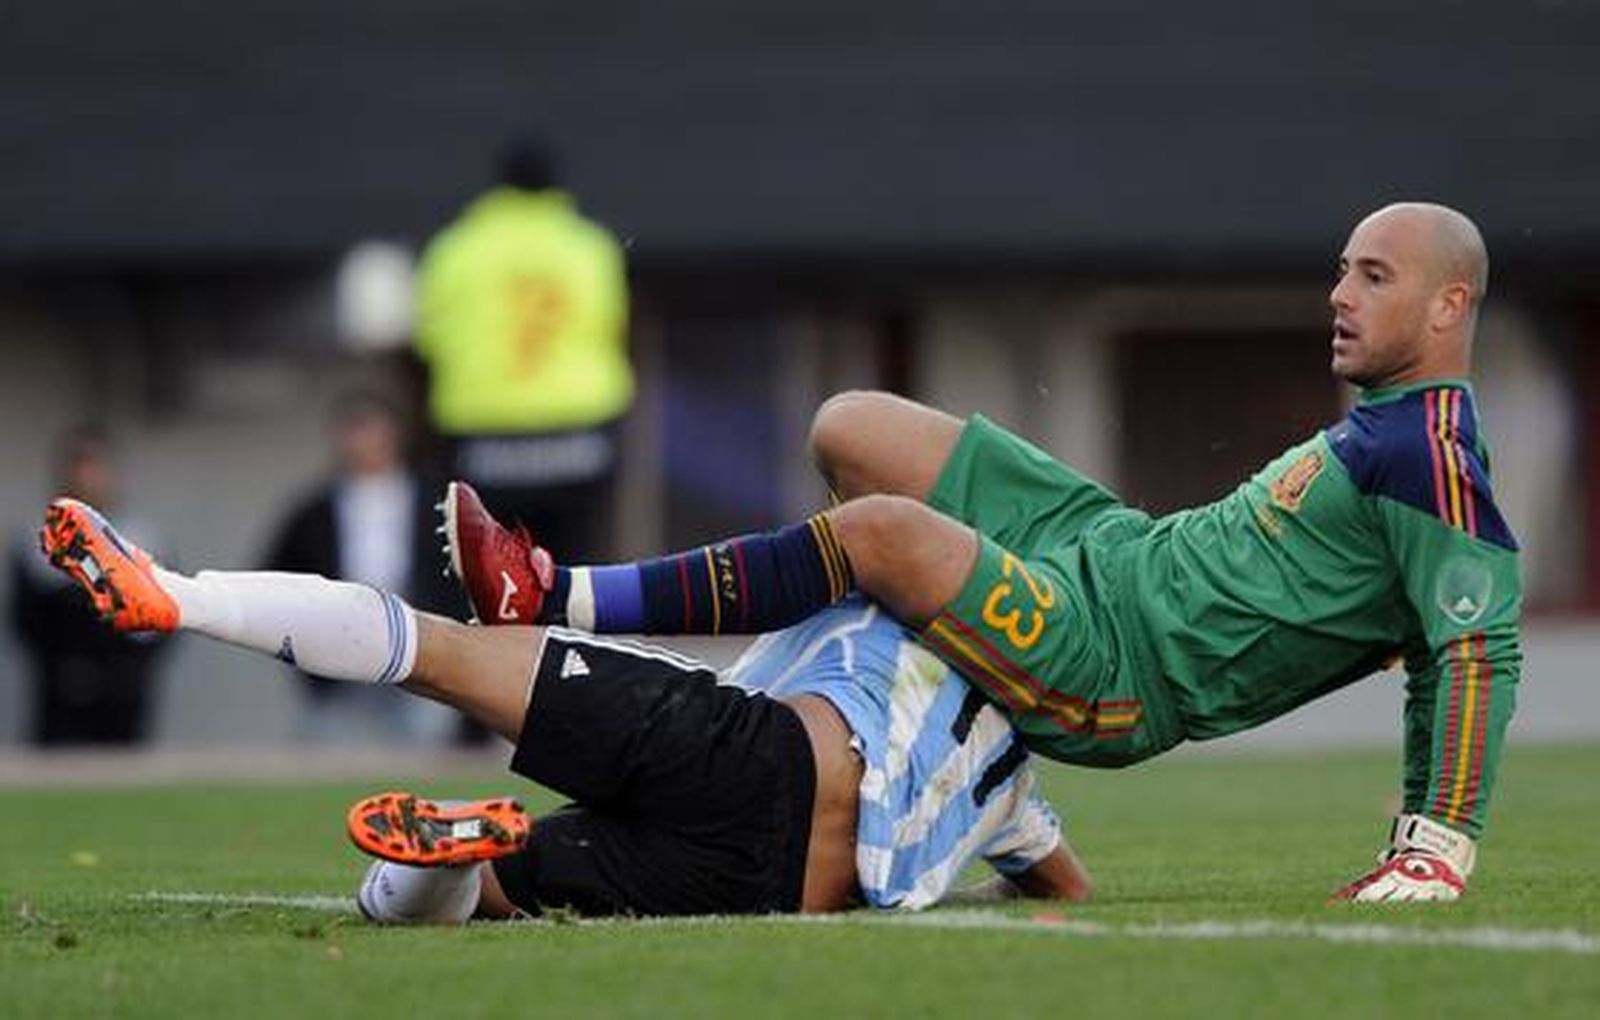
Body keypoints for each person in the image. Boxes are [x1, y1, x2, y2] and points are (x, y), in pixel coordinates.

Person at [449, 202, 1520, 904]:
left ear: (1447, 304)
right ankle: (910, 641)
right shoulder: (1384, 430)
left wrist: (1435, 843)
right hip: (1108, 545)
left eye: (1372, 277)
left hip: (1114, 666)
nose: (1338, 295)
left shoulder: (1430, 454)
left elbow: (1472, 650)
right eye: (1341, 269)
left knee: (879, 536)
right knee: (850, 426)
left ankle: (549, 590)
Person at [38, 496, 1091, 921]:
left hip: (748, 751)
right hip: (763, 887)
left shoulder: (898, 590)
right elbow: (1062, 890)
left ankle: (179, 596)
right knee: (501, 892)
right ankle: (432, 876)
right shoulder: (1009, 778)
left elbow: (788, 556)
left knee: (439, 653)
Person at [414, 135, 633, 566]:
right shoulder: (590, 247)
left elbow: (429, 338)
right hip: (579, 427)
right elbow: (611, 326)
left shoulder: (455, 249)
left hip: (483, 431)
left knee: (484, 574)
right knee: (575, 569)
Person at [261, 391, 463, 744]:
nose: (364, 443)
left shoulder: (438, 501)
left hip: (421, 635)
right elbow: (274, 573)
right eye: (354, 432)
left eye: (373, 430)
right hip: (338, 640)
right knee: (333, 745)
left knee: (428, 746)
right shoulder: (314, 510)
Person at [8, 426, 168, 745]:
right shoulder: (36, 543)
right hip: (61, 691)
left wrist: (129, 669)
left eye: (98, 465)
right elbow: (25, 622)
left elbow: (164, 620)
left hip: (124, 691)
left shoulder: (141, 541)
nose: (89, 476)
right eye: (80, 465)